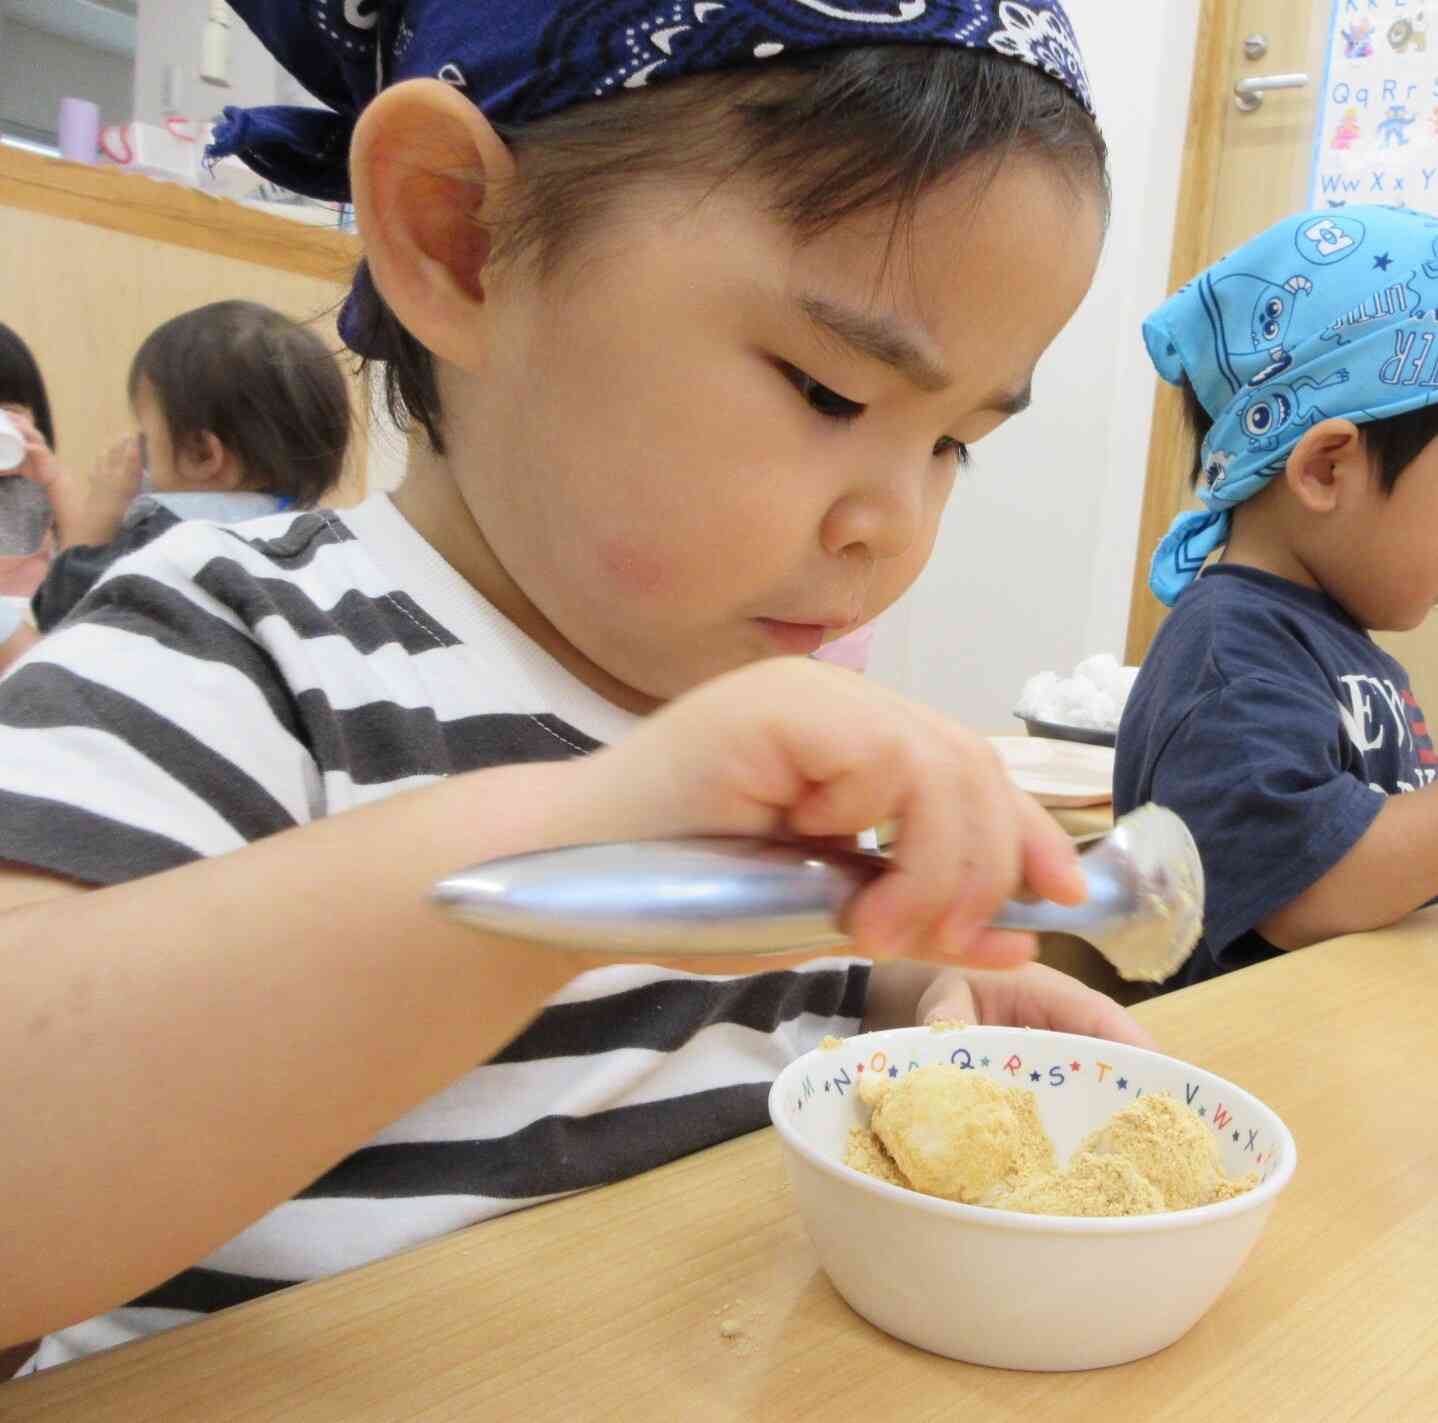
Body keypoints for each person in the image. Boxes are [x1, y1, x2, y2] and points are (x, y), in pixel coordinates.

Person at [0, 0, 1132, 1376]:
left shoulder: (760, 719)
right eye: (828, 391)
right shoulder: (237, 648)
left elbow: (742, 1015)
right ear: (457, 237)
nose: (890, 523)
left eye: (953, 443)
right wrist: (571, 855)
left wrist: (910, 994)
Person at [1117, 205, 1438, 991]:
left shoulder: (1331, 644)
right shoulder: (1231, 650)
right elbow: (1308, 888)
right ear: (1326, 468)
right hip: (1249, 1080)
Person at [26, 300, 351, 634]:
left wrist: (101, 512)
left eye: (146, 437)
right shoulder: (324, 546)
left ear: (202, 454)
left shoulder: (162, 538)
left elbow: (58, 615)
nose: (138, 448)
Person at [0, 323, 57, 671]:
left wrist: (55, 479)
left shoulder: (41, 485)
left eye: (10, 410)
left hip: (37, 627)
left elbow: (86, 550)